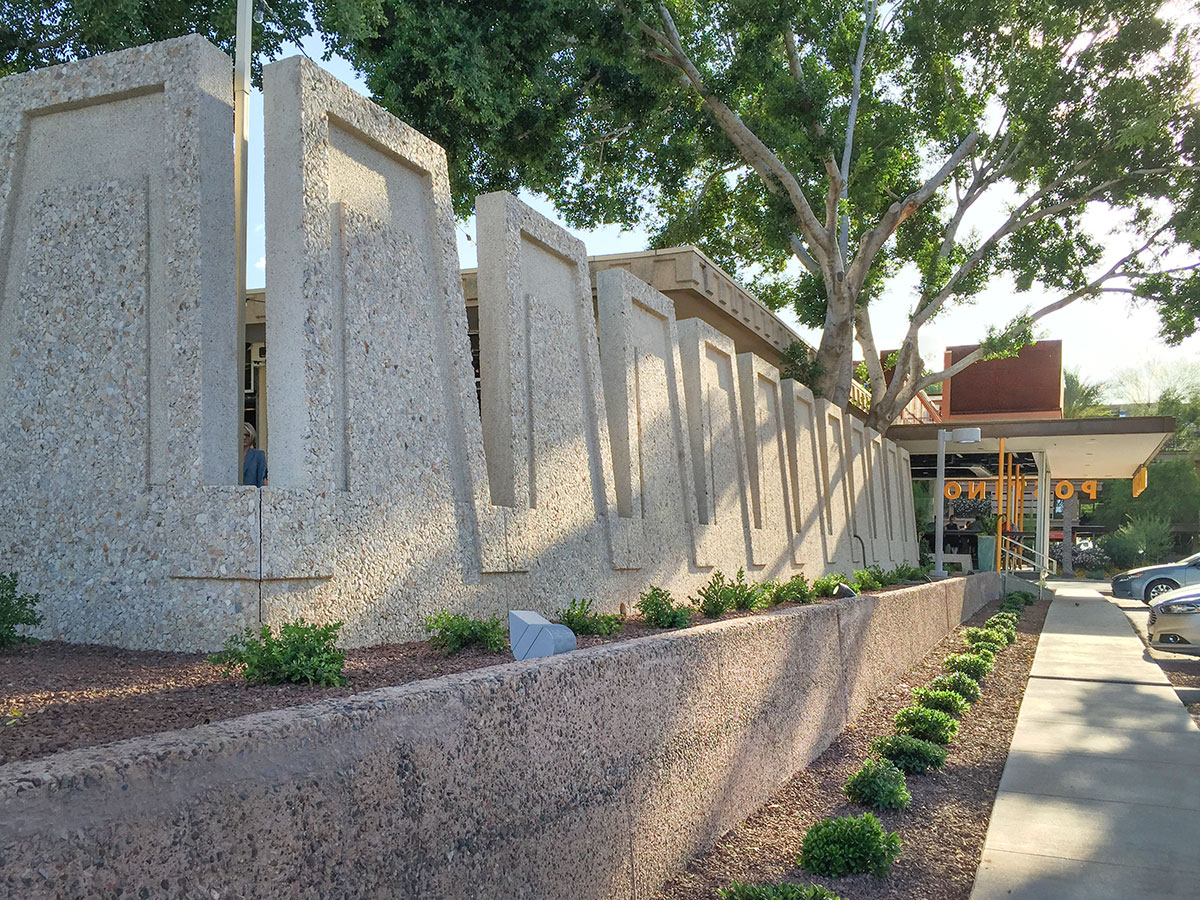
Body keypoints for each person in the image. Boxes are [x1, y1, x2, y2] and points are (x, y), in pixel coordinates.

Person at [242, 422, 267, 487]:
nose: (244, 437)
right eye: (241, 434)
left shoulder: (259, 455)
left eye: (247, 435)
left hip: (252, 494)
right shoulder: (232, 456)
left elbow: (261, 478)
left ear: (252, 436)